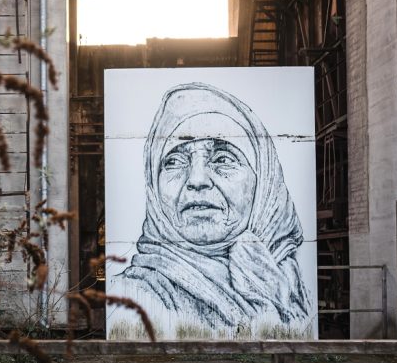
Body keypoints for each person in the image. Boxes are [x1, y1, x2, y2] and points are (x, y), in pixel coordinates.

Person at [115, 82, 311, 332]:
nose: (197, 180)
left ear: (264, 182)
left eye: (223, 159)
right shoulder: (132, 297)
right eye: (174, 161)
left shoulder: (289, 280)